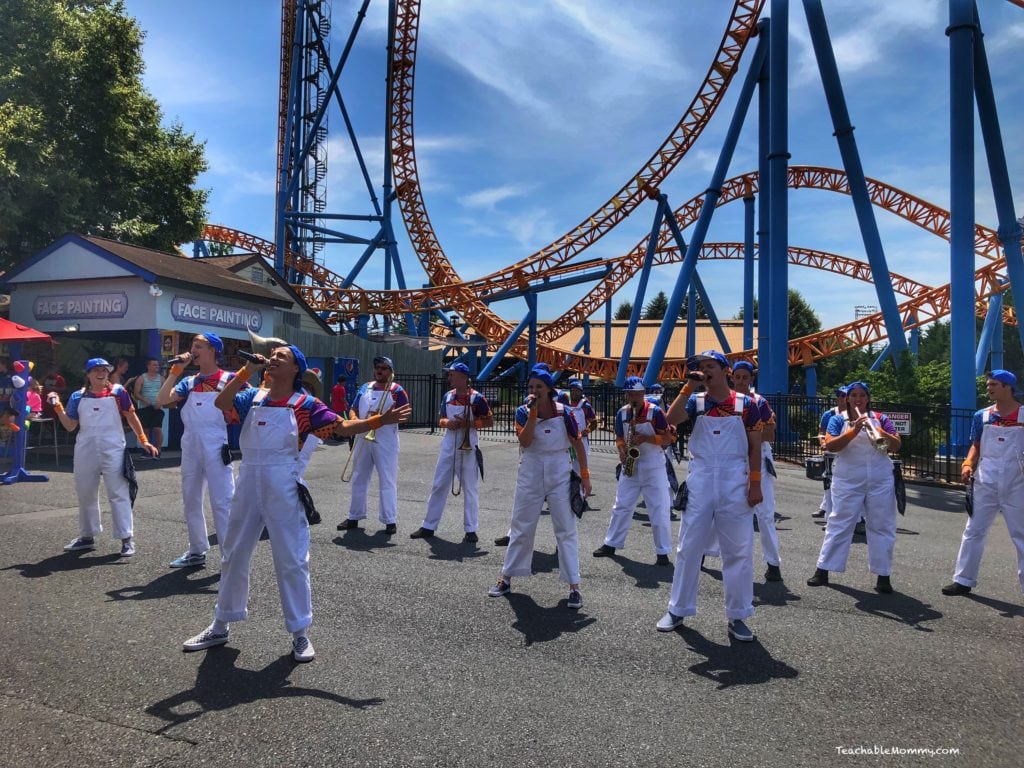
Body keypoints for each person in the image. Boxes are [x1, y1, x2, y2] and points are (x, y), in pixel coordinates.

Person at [182, 344, 412, 662]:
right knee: (233, 553)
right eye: (272, 355)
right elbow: (222, 402)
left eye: (282, 357)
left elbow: (341, 427)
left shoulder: (306, 403)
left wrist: (377, 421)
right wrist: (247, 370)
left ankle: (300, 633)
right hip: (248, 482)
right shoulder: (253, 397)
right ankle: (220, 623)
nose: (273, 358)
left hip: (283, 485)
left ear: (295, 370)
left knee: (291, 559)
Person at [657, 350, 763, 642]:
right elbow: (671, 419)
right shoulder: (696, 400)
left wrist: (755, 484)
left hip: (735, 480)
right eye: (702, 367)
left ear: (724, 370)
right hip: (701, 478)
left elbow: (755, 447)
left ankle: (738, 616)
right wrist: (688, 385)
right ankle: (678, 609)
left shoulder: (746, 404)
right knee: (689, 546)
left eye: (710, 366)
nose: (705, 371)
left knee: (738, 550)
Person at [487, 367, 592, 609]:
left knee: (565, 527)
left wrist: (585, 475)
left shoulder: (564, 412)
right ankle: (507, 577)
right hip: (531, 468)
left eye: (539, 387)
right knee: (521, 524)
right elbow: (524, 441)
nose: (534, 391)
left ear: (549, 390)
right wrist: (533, 416)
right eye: (531, 387)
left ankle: (574, 587)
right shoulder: (523, 412)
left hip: (559, 468)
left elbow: (577, 443)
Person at [50, 358, 159, 556]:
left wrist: (143, 440)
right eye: (96, 370)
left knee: (118, 492)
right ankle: (87, 536)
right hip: (86, 448)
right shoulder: (78, 396)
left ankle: (126, 538)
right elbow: (70, 426)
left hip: (113, 447)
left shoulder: (118, 392)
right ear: (88, 374)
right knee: (85, 491)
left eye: (104, 370)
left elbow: (131, 416)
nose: (101, 373)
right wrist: (58, 408)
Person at [156, 333, 243, 569]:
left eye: (198, 346)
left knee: (223, 502)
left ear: (213, 350)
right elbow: (162, 400)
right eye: (192, 346)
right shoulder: (189, 381)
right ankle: (196, 550)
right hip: (190, 444)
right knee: (190, 499)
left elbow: (251, 403)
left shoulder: (229, 378)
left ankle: (230, 557)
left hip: (216, 443)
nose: (192, 350)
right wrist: (175, 371)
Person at [807, 380, 901, 593]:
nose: (858, 399)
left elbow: (895, 445)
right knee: (839, 522)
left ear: (868, 398)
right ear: (848, 398)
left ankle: (883, 575)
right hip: (848, 479)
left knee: (882, 525)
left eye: (862, 395)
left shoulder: (881, 418)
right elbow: (830, 445)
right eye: (854, 395)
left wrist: (876, 430)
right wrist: (854, 429)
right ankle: (823, 569)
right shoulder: (837, 420)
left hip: (880, 479)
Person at [942, 369, 1024, 597]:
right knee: (973, 530)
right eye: (989, 384)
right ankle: (963, 580)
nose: (989, 388)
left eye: (994, 384)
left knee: (1022, 535)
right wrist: (968, 463)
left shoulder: (1023, 415)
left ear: (1008, 387)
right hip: (985, 480)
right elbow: (976, 445)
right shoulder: (982, 416)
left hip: (1018, 482)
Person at [592, 376, 673, 565]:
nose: (633, 397)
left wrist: (646, 438)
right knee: (621, 505)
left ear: (643, 393)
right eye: (630, 394)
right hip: (631, 463)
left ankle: (663, 552)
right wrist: (621, 450)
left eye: (637, 393)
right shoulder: (622, 413)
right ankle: (611, 543)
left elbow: (668, 439)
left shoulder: (656, 412)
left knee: (659, 508)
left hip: (653, 464)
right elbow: (620, 437)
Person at [410, 362, 494, 542]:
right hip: (449, 444)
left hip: (468, 445)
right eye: (449, 375)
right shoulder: (447, 396)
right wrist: (448, 423)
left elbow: (489, 422)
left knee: (470, 488)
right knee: (439, 484)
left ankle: (471, 529)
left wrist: (469, 424)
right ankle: (428, 526)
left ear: (463, 377)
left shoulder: (477, 398)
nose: (449, 378)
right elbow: (441, 419)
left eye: (452, 375)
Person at [337, 355, 410, 535]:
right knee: (358, 477)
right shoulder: (365, 387)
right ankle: (354, 516)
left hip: (385, 440)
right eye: (377, 367)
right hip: (363, 436)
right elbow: (353, 407)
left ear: (391, 371)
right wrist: (355, 419)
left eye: (384, 367)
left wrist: (384, 419)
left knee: (387, 479)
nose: (379, 370)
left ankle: (389, 519)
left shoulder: (397, 390)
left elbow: (406, 414)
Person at [731, 361, 783, 582]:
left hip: (758, 457)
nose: (741, 381)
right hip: (731, 459)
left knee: (764, 512)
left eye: (745, 377)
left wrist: (745, 437)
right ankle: (707, 552)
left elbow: (770, 434)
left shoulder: (759, 401)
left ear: (751, 379)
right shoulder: (723, 401)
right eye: (738, 377)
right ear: (731, 377)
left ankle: (773, 563)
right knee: (721, 508)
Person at [813, 387, 848, 520]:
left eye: (844, 395)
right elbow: (821, 432)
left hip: (847, 453)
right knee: (830, 480)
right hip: (832, 451)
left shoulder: (855, 414)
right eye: (839, 395)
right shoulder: (829, 414)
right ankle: (828, 511)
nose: (842, 397)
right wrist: (823, 442)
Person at [134, 358, 165, 450]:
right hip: (144, 407)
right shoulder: (142, 378)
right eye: (154, 365)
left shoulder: (161, 379)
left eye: (157, 365)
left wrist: (161, 402)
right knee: (145, 430)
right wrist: (145, 400)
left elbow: (167, 392)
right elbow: (136, 393)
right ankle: (147, 450)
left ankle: (158, 449)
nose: (157, 367)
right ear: (148, 366)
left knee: (157, 429)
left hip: (157, 408)